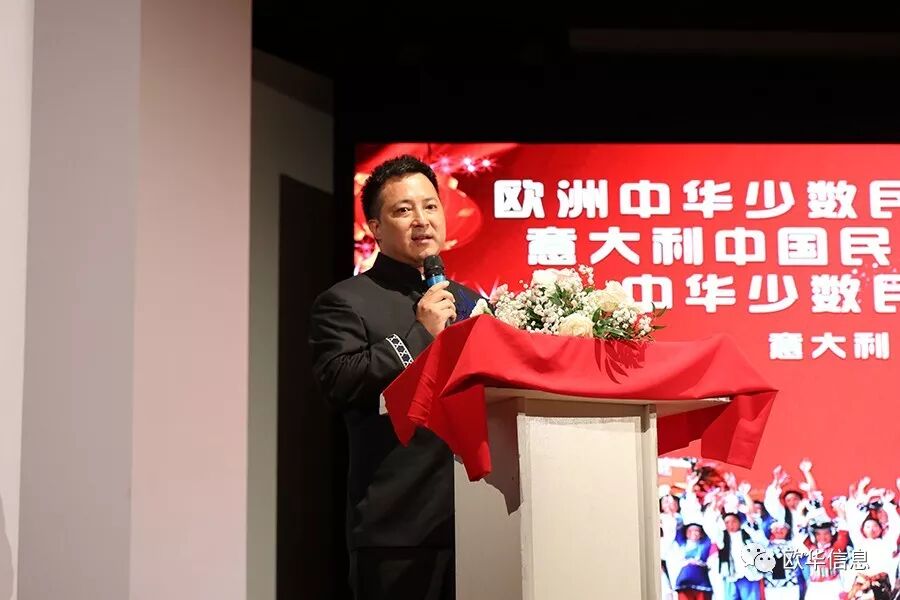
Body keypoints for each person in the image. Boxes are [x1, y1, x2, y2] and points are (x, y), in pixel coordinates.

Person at [309, 155, 481, 600]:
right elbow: (339, 382)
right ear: (375, 228)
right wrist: (419, 334)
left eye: (430, 206)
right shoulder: (346, 301)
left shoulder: (470, 302)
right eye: (404, 210)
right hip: (399, 529)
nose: (422, 220)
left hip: (479, 522)